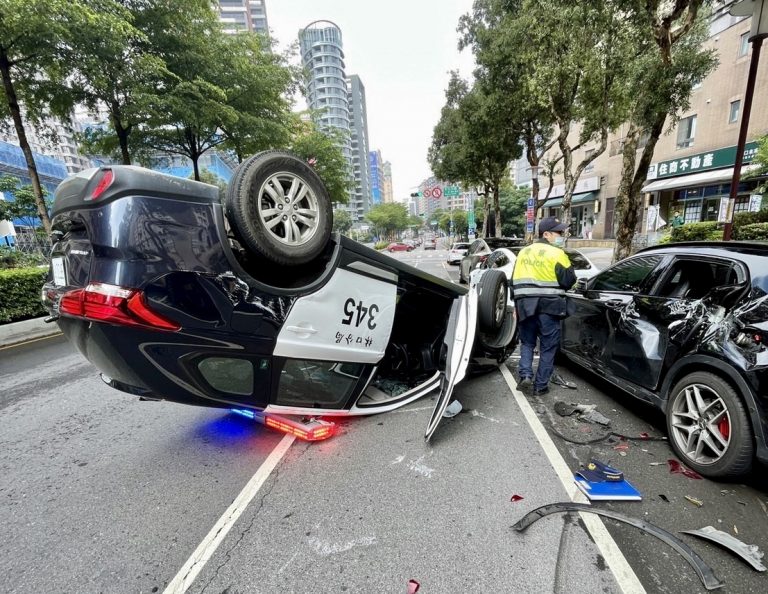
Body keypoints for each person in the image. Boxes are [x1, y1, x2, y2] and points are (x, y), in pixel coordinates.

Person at [512, 216, 577, 396]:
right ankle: (540, 386)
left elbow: (514, 281)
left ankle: (525, 375)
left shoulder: (523, 252)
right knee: (548, 347)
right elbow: (569, 281)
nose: (562, 235)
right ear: (546, 234)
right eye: (559, 232)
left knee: (527, 342)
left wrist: (515, 306)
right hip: (550, 307)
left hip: (525, 306)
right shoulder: (558, 253)